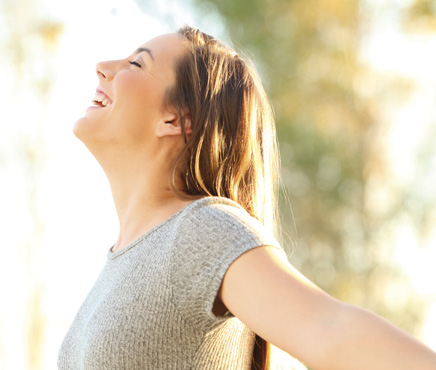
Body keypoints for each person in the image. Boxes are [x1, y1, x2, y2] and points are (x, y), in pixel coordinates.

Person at [58, 26, 436, 370]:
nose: (103, 67)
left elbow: (329, 329)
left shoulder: (198, 231)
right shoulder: (120, 263)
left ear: (176, 119)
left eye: (136, 64)